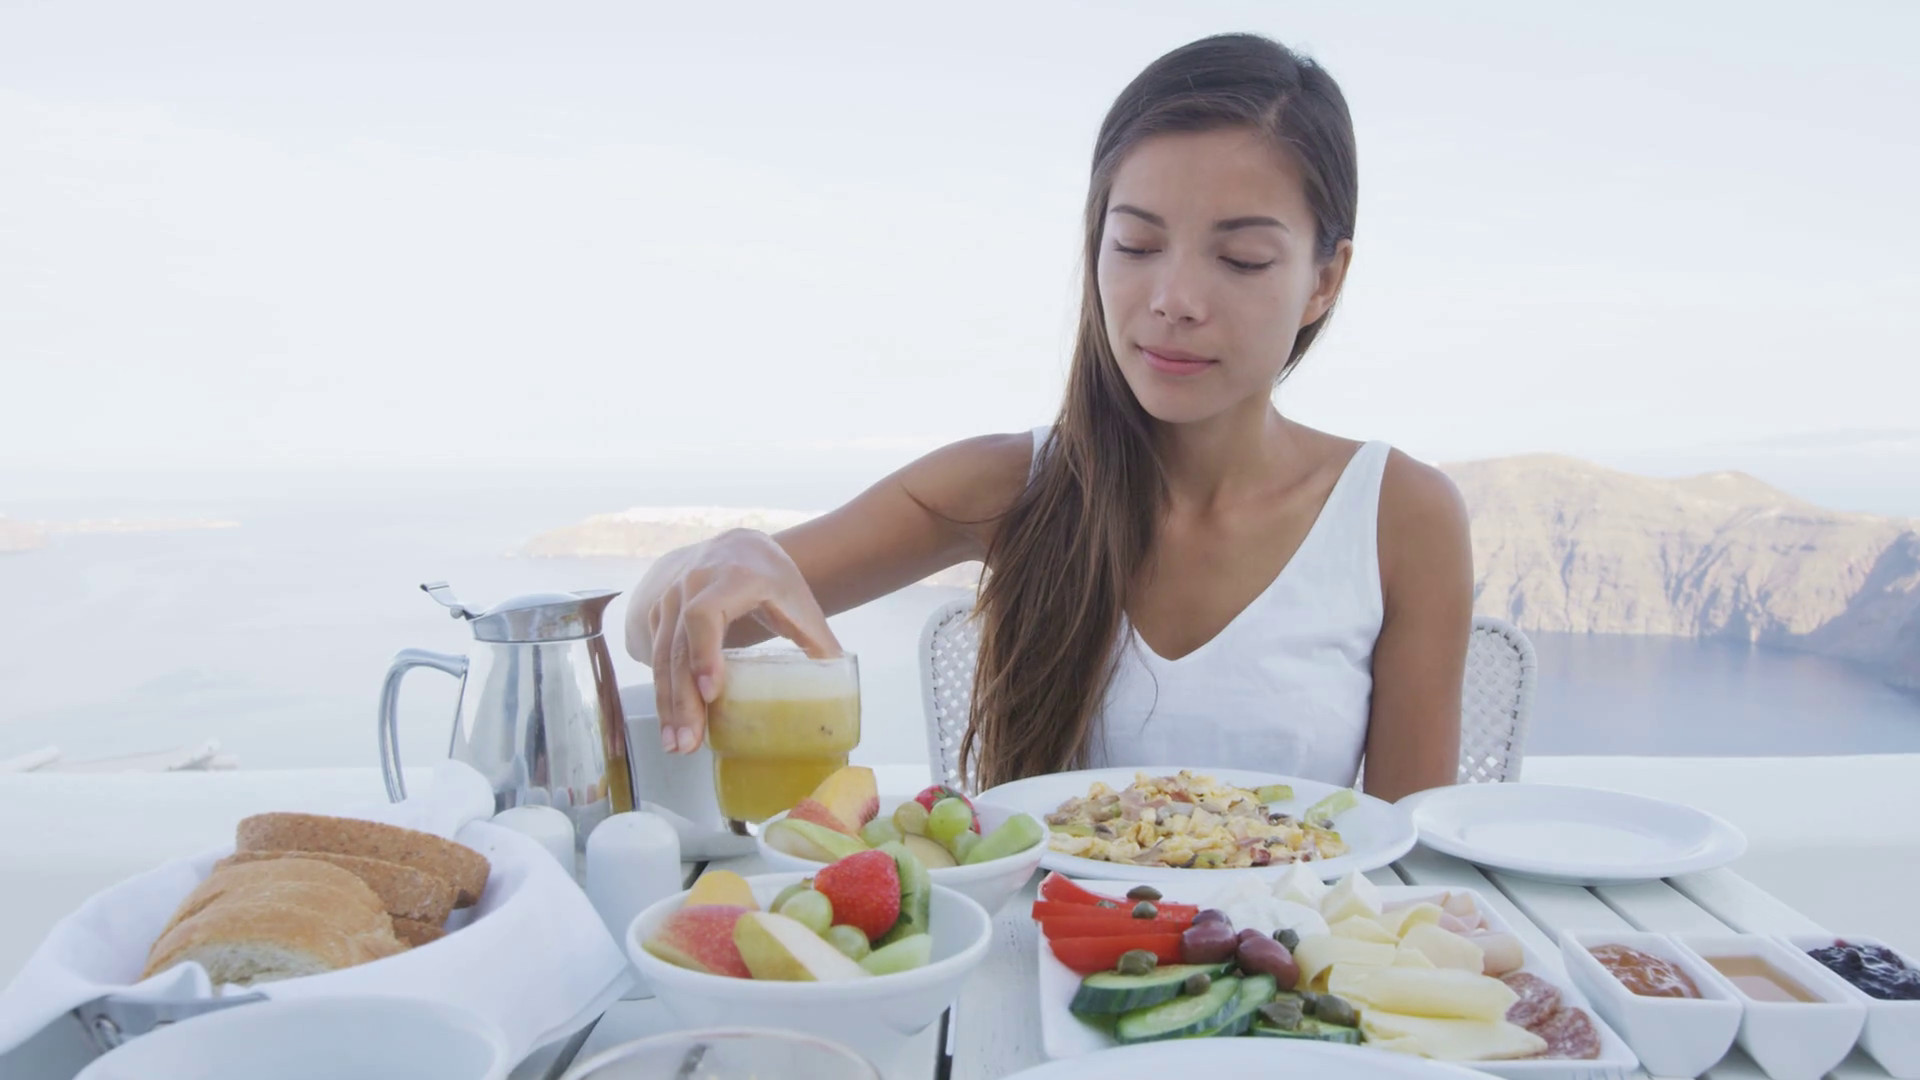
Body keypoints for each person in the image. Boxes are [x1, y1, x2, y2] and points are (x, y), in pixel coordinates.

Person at [625, 33, 1472, 803]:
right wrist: (731, 556)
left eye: (1241, 258)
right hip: (1040, 961)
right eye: (1136, 245)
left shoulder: (1400, 516)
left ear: (1325, 280)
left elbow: (1412, 860)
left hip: (1290, 969)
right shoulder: (1007, 487)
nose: (1173, 300)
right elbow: (646, 626)